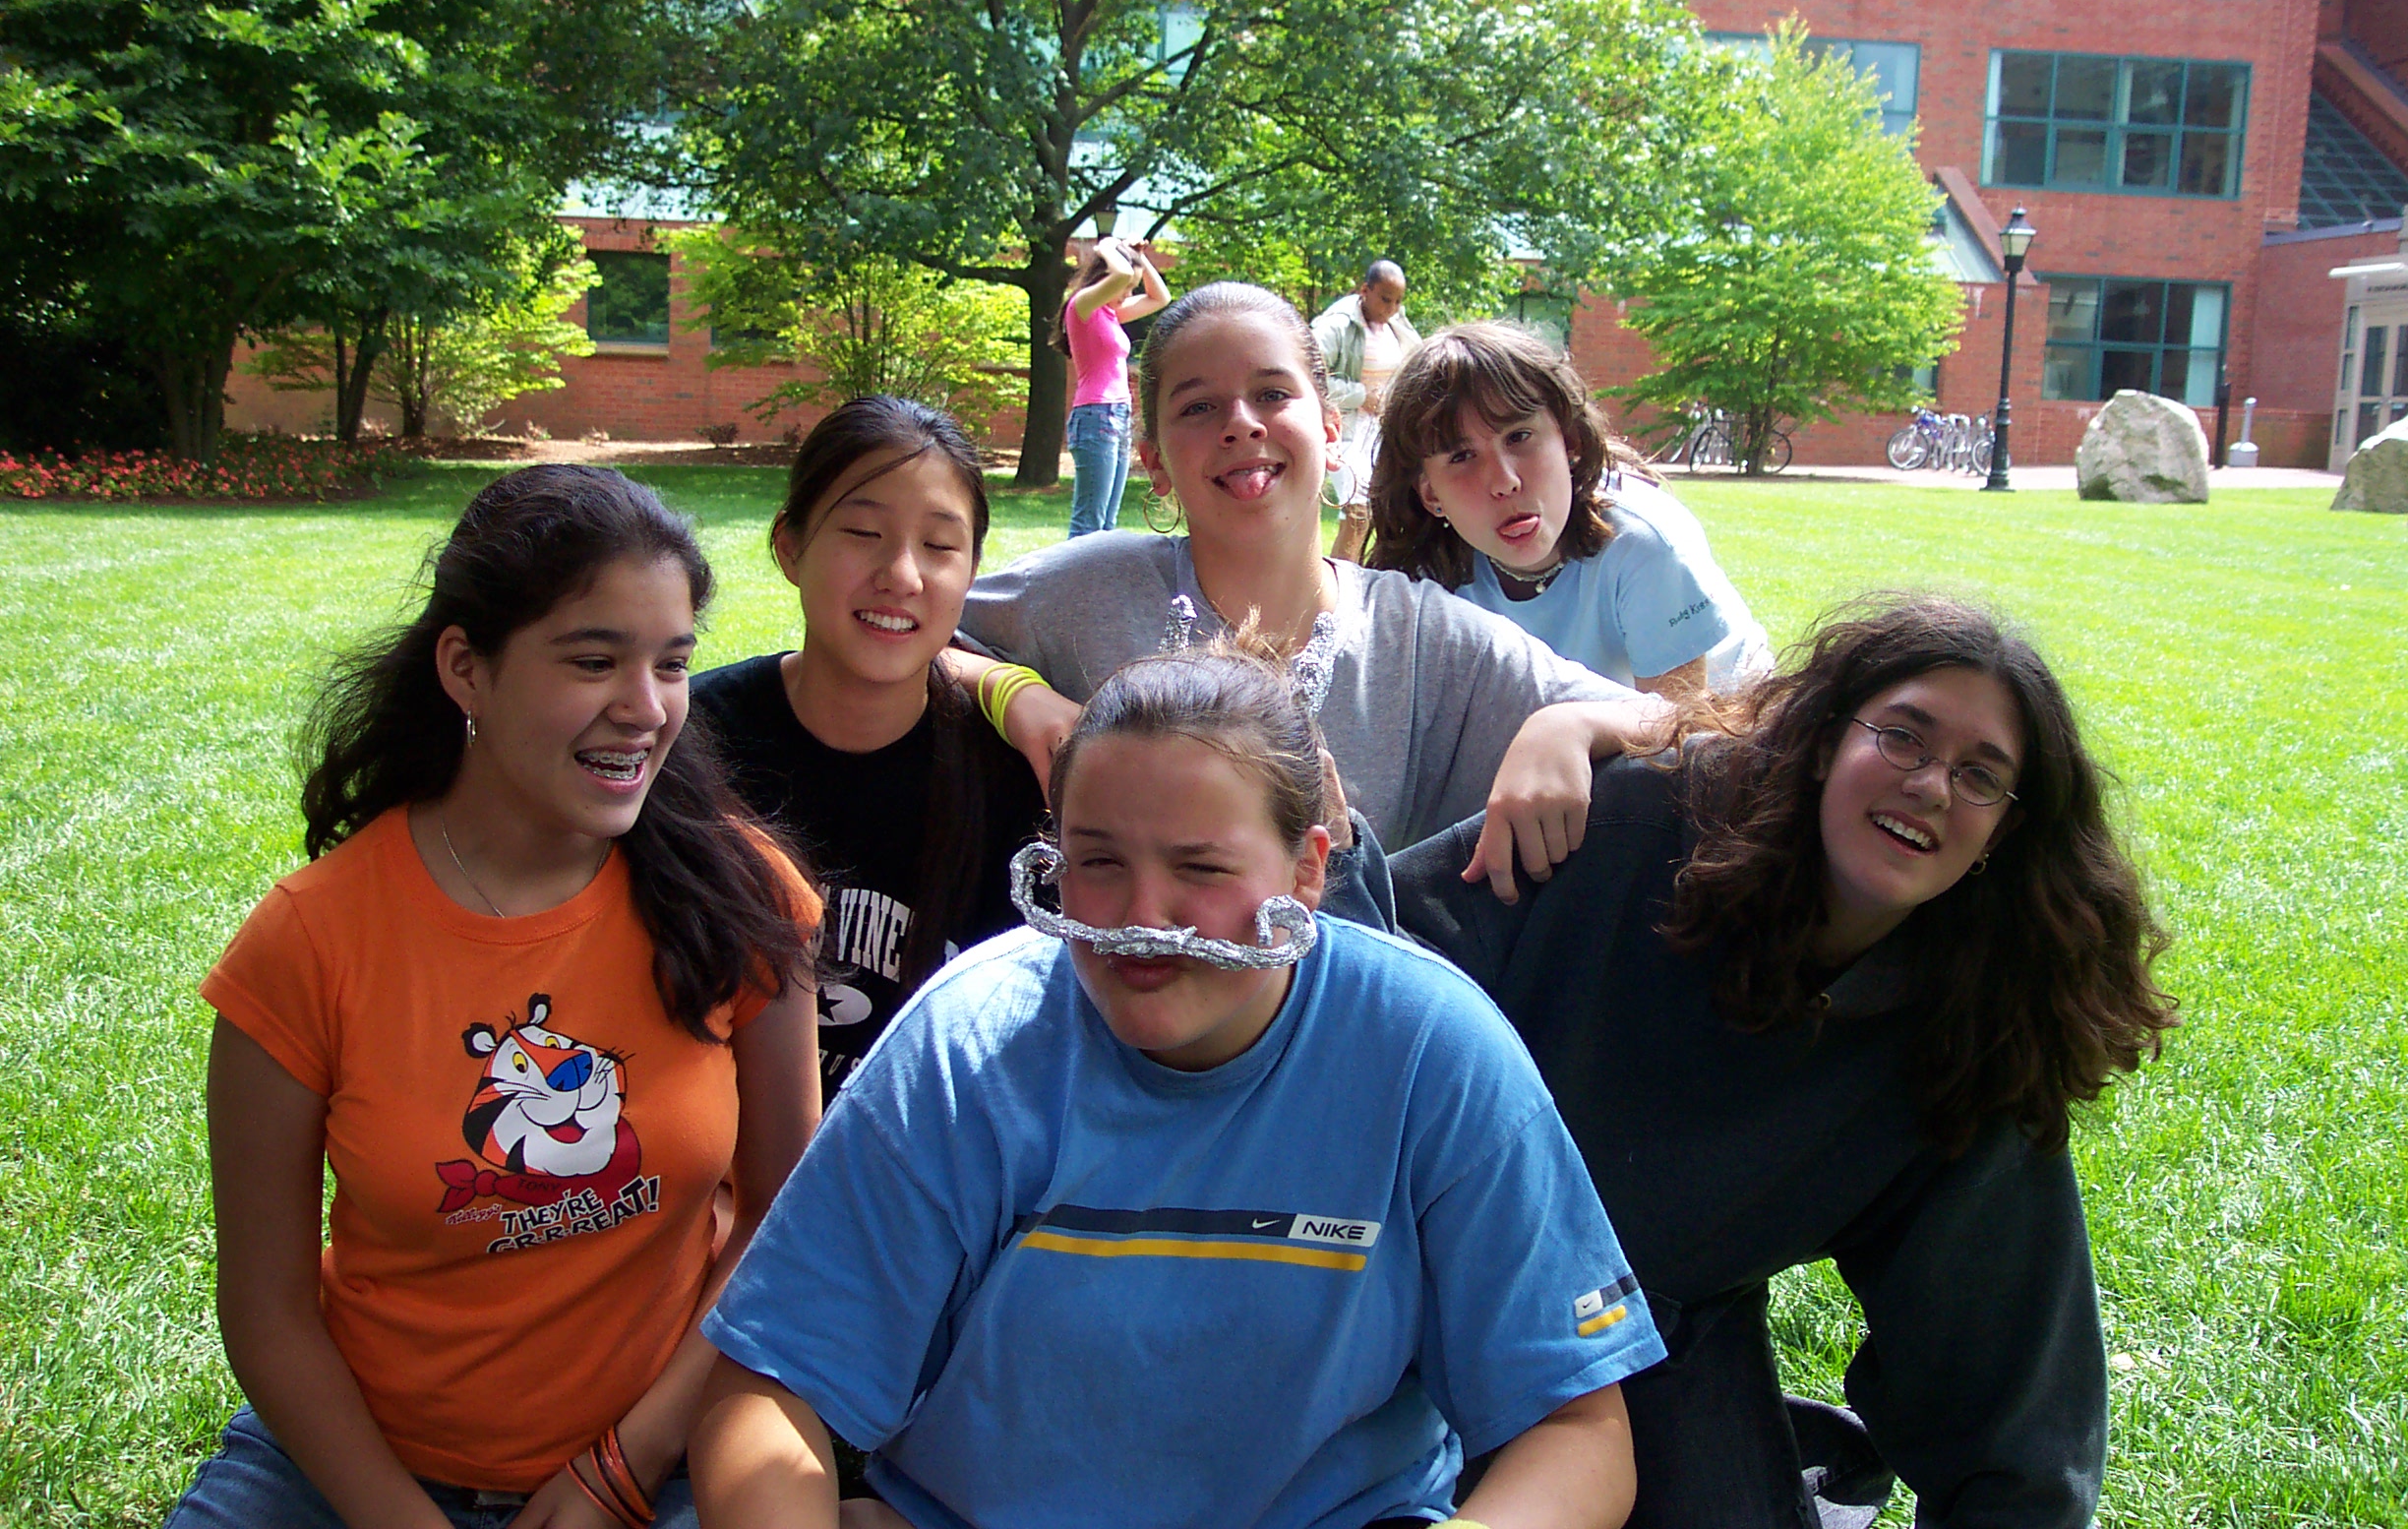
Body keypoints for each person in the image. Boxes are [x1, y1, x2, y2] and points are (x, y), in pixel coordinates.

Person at [686, 642, 1666, 1529]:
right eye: (1098, 863)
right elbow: (766, 1390)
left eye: (1200, 867)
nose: (1141, 917)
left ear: (1309, 870)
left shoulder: (1428, 1050)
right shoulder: (966, 1050)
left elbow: (1577, 1430)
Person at [1391, 597, 2178, 1529]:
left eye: (1980, 776)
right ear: (1827, 741)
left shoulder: (1963, 1041)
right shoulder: (1629, 830)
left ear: (2002, 836)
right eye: (1903, 737)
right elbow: (1358, 981)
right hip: (1402, 1280)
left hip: (1654, 1344)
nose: (1931, 785)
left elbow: (2009, 1392)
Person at [167, 465, 822, 1529]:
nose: (646, 709)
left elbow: (784, 1223)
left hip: (661, 1454)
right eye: (594, 661)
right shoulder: (308, 941)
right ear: (466, 669)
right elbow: (268, 1311)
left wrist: (625, 1464)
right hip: (353, 1464)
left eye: (671, 663)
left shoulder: (741, 898)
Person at [952, 280, 1671, 904]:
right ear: (1155, 461)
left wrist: (1569, 725)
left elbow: (1690, 723)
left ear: (1330, 431)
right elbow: (908, 630)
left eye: (1272, 394)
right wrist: (1014, 694)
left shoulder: (1420, 637)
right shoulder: (1085, 591)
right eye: (1199, 407)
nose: (1241, 423)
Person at [692, 397, 1050, 1099]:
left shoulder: (1015, 777)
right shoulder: (695, 745)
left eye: (940, 546)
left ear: (972, 570)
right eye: (862, 532)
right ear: (790, 546)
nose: (902, 574)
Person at [1367, 322, 1770, 701]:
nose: (1504, 481)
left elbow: (1676, 734)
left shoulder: (1643, 545)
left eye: (1519, 436)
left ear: (1569, 440)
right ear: (1430, 493)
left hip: (1723, 720)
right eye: (1461, 456)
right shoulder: (1427, 576)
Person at [1056, 234, 1170, 538]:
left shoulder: (1110, 313)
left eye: (1132, 287)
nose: (1127, 293)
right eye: (1126, 287)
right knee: (1088, 522)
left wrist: (1140, 257)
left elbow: (1160, 298)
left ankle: (1100, 572)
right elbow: (1119, 273)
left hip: (1118, 416)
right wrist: (1108, 246)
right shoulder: (1082, 306)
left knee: (1107, 523)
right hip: (1095, 416)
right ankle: (1075, 571)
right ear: (1106, 275)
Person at [1312, 260, 1421, 563]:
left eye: (1398, 301)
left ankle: (1360, 578)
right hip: (1344, 430)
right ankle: (1338, 588)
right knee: (1358, 512)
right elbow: (1309, 376)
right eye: (1385, 299)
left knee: (1382, 515)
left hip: (1383, 431)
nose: (1392, 308)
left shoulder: (1397, 325)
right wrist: (1361, 396)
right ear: (1365, 290)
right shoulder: (1337, 325)